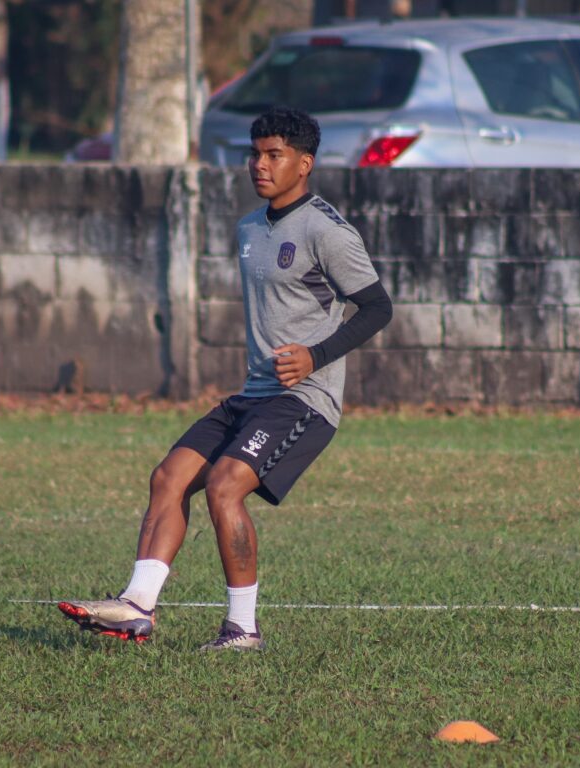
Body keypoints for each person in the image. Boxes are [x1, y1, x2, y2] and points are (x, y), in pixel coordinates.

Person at [58, 106, 393, 651]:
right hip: (254, 396)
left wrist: (315, 355)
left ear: (304, 164)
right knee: (168, 477)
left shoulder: (328, 232)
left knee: (223, 485)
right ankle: (138, 605)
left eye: (274, 155)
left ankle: (242, 629)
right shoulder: (249, 228)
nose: (259, 165)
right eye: (255, 154)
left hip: (305, 399)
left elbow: (378, 308)